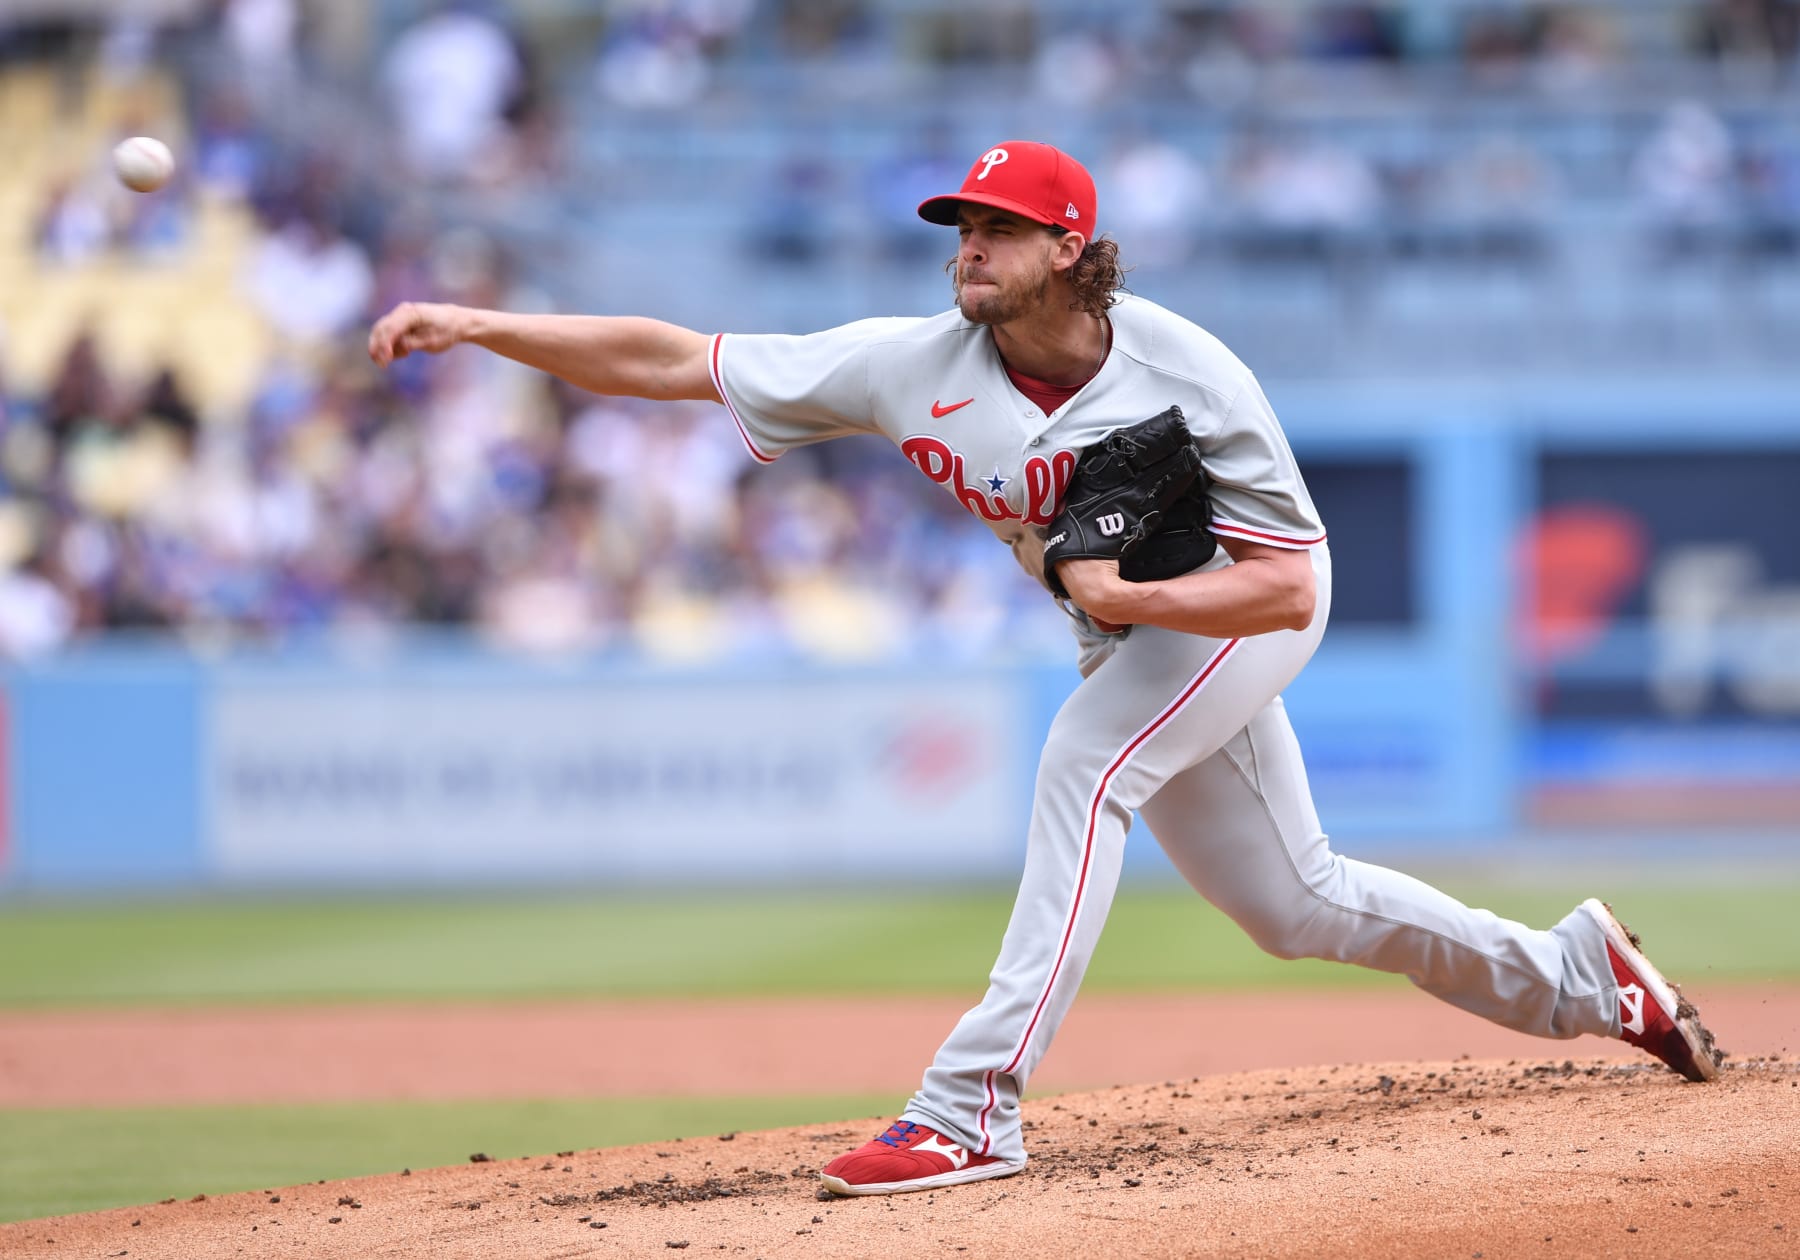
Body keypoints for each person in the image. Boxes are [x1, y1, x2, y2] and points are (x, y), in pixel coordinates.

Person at [368, 140, 1721, 1198]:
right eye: (961, 226)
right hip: (1132, 627)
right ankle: (1585, 980)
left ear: (1072, 249)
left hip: (1240, 612)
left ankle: (970, 1110)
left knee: (1085, 759)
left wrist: (1138, 594)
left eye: (1000, 227)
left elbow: (1291, 582)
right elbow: (682, 360)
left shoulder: (1192, 375)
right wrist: (483, 326)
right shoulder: (914, 366)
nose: (970, 247)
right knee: (1296, 904)